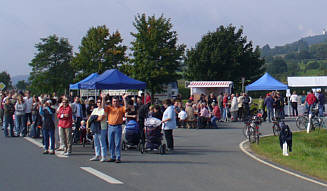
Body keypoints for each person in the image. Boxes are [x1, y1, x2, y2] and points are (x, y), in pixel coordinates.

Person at [101, 94, 127, 163]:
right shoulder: (109, 108)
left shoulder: (121, 108)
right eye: (114, 101)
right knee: (110, 142)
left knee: (117, 143)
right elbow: (103, 107)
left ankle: (118, 157)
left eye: (116, 101)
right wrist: (103, 98)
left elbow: (126, 108)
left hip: (118, 126)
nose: (115, 102)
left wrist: (124, 99)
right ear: (112, 102)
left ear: (119, 102)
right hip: (110, 126)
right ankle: (112, 156)